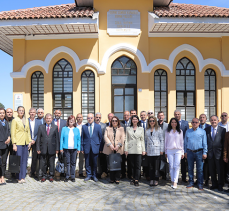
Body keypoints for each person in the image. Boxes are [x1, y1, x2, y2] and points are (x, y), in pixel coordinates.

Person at [184, 118, 207, 190]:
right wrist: (185, 152)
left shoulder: (202, 131)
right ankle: (191, 182)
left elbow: (205, 143)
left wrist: (205, 152)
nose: (194, 123)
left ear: (198, 123)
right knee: (190, 168)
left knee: (199, 169)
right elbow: (185, 143)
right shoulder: (188, 131)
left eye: (196, 122)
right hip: (190, 152)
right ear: (191, 123)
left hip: (199, 152)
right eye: (193, 122)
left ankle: (200, 183)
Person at [11, 106, 32, 184]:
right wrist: (14, 144)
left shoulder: (26, 120)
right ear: (17, 111)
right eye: (19, 110)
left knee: (24, 160)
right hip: (18, 143)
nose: (21, 112)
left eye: (22, 110)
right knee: (19, 161)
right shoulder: (15, 120)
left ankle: (23, 176)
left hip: (26, 143)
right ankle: (18, 177)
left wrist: (29, 142)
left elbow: (28, 131)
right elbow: (13, 133)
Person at [37, 113, 59, 182]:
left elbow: (57, 139)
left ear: (52, 119)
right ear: (45, 119)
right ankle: (44, 176)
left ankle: (51, 176)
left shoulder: (55, 127)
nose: (48, 119)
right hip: (43, 148)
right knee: (43, 163)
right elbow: (38, 139)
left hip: (52, 148)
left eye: (50, 118)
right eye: (47, 118)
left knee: (51, 163)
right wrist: (38, 148)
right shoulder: (41, 127)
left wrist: (57, 148)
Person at [205, 115, 226, 191]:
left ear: (218, 121)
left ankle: (220, 184)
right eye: (212, 120)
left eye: (215, 120)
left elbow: (224, 143)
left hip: (219, 154)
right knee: (212, 170)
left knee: (220, 170)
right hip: (210, 153)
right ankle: (214, 184)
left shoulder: (222, 130)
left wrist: (224, 155)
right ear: (210, 121)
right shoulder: (206, 129)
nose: (213, 121)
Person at [81, 113, 102, 182]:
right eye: (88, 118)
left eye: (91, 118)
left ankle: (94, 175)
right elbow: (82, 138)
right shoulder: (84, 126)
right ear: (87, 119)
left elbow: (100, 138)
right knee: (87, 162)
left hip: (95, 147)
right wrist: (82, 148)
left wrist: (100, 148)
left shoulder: (98, 126)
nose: (90, 119)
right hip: (86, 147)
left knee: (95, 163)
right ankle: (88, 175)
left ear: (94, 118)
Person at [103, 116, 125, 184]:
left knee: (118, 164)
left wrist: (118, 145)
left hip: (118, 149)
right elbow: (105, 136)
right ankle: (112, 178)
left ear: (118, 121)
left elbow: (123, 137)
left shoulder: (121, 128)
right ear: (111, 122)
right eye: (113, 121)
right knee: (111, 164)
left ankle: (117, 178)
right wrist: (110, 145)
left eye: (116, 120)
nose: (114, 122)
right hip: (110, 148)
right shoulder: (107, 128)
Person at [125, 115, 145, 186]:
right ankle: (133, 178)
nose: (134, 120)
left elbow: (142, 140)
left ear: (138, 120)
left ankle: (137, 179)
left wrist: (143, 150)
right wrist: (126, 149)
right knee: (131, 165)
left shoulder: (141, 129)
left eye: (136, 119)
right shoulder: (128, 128)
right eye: (133, 119)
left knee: (138, 165)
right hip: (130, 149)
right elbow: (126, 140)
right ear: (131, 120)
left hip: (138, 148)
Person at [60, 115, 81, 182]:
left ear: (74, 121)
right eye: (70, 120)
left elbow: (78, 140)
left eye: (73, 120)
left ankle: (72, 176)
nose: (71, 121)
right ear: (68, 121)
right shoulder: (64, 129)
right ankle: (67, 176)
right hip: (66, 148)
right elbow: (61, 139)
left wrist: (79, 148)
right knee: (67, 163)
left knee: (73, 163)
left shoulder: (76, 129)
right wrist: (61, 148)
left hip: (74, 148)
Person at [165, 118, 184, 189]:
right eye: (172, 122)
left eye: (175, 122)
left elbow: (182, 142)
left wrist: (182, 152)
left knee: (176, 165)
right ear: (170, 123)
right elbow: (166, 142)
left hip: (178, 150)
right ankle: (172, 180)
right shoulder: (167, 131)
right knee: (171, 165)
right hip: (170, 150)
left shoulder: (180, 131)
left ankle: (175, 181)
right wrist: (166, 151)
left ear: (177, 123)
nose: (173, 123)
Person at [145, 116, 164, 186]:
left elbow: (162, 140)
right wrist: (145, 150)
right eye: (150, 121)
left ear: (155, 121)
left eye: (153, 121)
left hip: (157, 150)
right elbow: (145, 141)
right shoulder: (147, 130)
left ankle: (156, 179)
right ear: (148, 122)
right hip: (149, 150)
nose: (152, 122)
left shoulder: (159, 129)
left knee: (156, 166)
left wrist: (162, 150)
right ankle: (151, 179)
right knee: (150, 166)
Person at [174, 110, 189, 183]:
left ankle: (183, 177)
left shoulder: (185, 123)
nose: (177, 115)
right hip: (174, 145)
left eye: (178, 114)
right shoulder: (172, 123)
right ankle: (174, 177)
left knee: (183, 163)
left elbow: (187, 134)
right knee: (175, 163)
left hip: (182, 145)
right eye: (176, 114)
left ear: (180, 115)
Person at [28, 108, 42, 178]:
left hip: (35, 142)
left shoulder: (39, 122)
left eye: (33, 112)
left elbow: (39, 132)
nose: (32, 113)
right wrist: (30, 140)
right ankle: (23, 172)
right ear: (29, 113)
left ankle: (33, 172)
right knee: (25, 157)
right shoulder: (26, 121)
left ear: (35, 114)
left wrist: (34, 140)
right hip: (27, 142)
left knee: (34, 158)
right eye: (31, 112)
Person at [199, 113, 210, 186]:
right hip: (199, 149)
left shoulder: (209, 127)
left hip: (207, 149)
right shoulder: (197, 126)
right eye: (201, 117)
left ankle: (206, 180)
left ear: (206, 119)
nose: (202, 118)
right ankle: (199, 179)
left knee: (206, 166)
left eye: (203, 117)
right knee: (199, 166)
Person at [157, 111, 169, 181]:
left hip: (165, 145)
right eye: (159, 115)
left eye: (162, 115)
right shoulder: (155, 125)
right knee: (158, 161)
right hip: (157, 146)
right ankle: (158, 175)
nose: (160, 117)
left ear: (164, 116)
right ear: (157, 116)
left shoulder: (167, 125)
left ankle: (165, 175)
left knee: (165, 161)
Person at [95, 112, 107, 178]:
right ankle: (95, 173)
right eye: (97, 117)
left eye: (99, 117)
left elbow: (104, 136)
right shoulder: (92, 124)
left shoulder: (104, 125)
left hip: (101, 145)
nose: (98, 118)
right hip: (94, 146)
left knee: (102, 160)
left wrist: (102, 147)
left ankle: (102, 173)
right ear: (95, 117)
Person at [0, 108, 10, 185]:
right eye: (0, 113)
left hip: (6, 145)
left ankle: (2, 177)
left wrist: (9, 138)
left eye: (3, 113)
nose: (2, 114)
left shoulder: (6, 122)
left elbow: (8, 132)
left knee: (4, 162)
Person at [218, 112, 229, 184]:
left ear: (228, 117)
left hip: (227, 147)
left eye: (225, 116)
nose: (224, 117)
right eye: (222, 116)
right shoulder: (218, 125)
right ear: (220, 117)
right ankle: (223, 180)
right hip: (219, 148)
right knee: (222, 165)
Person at [120, 110, 131, 179]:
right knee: (122, 160)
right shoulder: (121, 123)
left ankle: (130, 174)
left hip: (130, 144)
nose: (126, 116)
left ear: (129, 116)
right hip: (122, 144)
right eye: (125, 115)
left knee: (130, 160)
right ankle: (123, 174)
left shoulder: (132, 123)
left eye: (127, 115)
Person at [76, 113, 85, 178]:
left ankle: (81, 172)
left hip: (82, 144)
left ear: (82, 118)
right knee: (74, 159)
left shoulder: (84, 125)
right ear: (76, 118)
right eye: (78, 117)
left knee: (81, 159)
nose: (79, 118)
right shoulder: (74, 125)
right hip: (74, 144)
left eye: (80, 117)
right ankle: (72, 172)